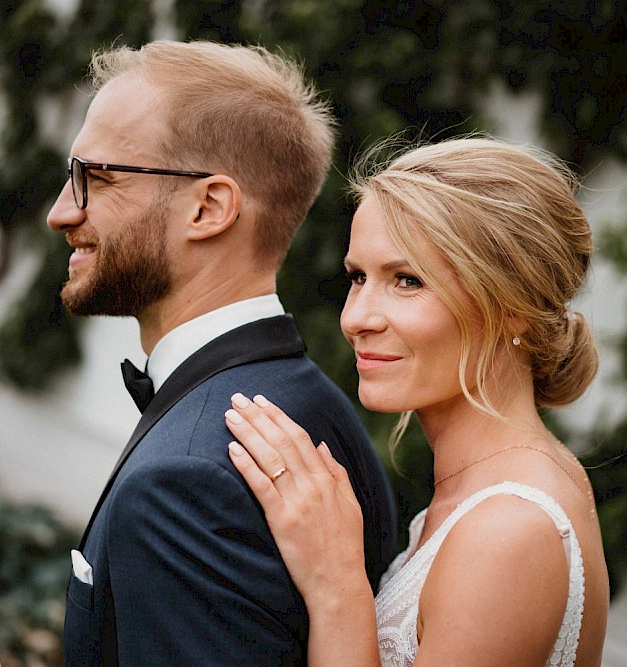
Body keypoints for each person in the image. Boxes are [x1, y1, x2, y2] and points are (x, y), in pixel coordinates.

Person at [46, 40, 397, 665]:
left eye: (96, 178)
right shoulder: (318, 406)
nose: (61, 212)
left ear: (208, 208)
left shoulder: (183, 485)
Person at [225, 137, 611, 666]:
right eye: (358, 277)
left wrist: (336, 586)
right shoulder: (500, 486)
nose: (357, 317)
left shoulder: (508, 529)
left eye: (407, 281)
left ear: (514, 306)